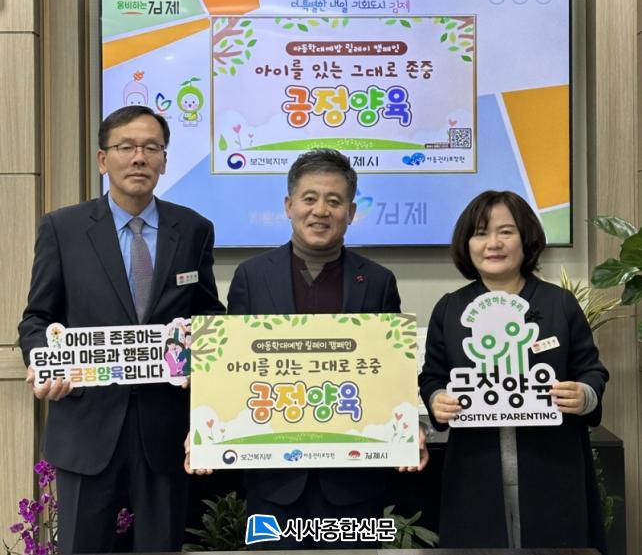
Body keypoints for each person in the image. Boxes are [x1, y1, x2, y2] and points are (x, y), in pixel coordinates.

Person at [187, 149, 428, 549]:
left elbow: (390, 374)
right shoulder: (251, 277)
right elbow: (232, 369)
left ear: (351, 211)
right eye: (309, 198)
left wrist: (408, 427)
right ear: (289, 205)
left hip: (354, 481)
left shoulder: (378, 281)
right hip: (273, 480)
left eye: (334, 201)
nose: (320, 211)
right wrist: (203, 428)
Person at [18, 105, 225, 554]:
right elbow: (37, 318)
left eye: (152, 147)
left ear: (164, 160)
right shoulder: (63, 228)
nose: (139, 157)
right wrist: (43, 362)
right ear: (102, 159)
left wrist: (203, 348)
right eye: (126, 147)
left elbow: (209, 313)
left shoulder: (193, 229)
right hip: (86, 422)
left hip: (164, 427)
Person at [419, 190, 609, 552]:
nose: (493, 243)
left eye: (506, 232)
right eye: (480, 233)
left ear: (526, 239)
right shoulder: (450, 309)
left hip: (553, 467)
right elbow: (432, 377)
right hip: (475, 471)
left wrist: (584, 395)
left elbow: (591, 370)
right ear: (467, 244)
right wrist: (437, 399)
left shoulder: (559, 303)